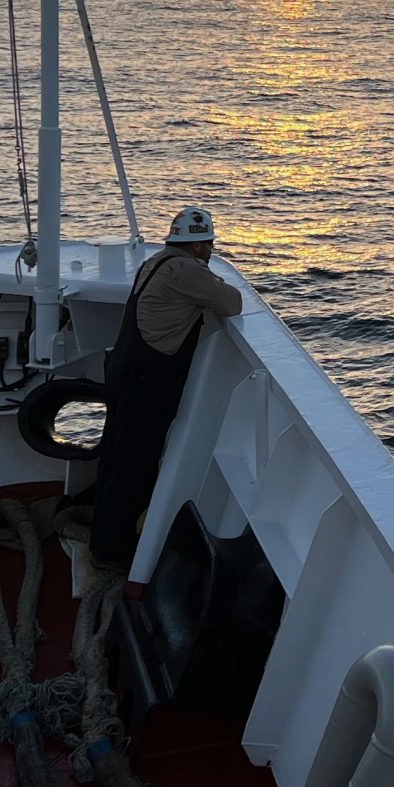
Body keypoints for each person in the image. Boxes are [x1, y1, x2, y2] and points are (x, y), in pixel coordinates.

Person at [89, 205, 242, 570]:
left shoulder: (156, 262)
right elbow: (231, 302)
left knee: (117, 457)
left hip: (125, 373)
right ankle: (114, 553)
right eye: (209, 245)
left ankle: (105, 539)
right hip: (147, 382)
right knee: (135, 465)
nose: (211, 252)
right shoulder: (184, 269)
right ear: (198, 246)